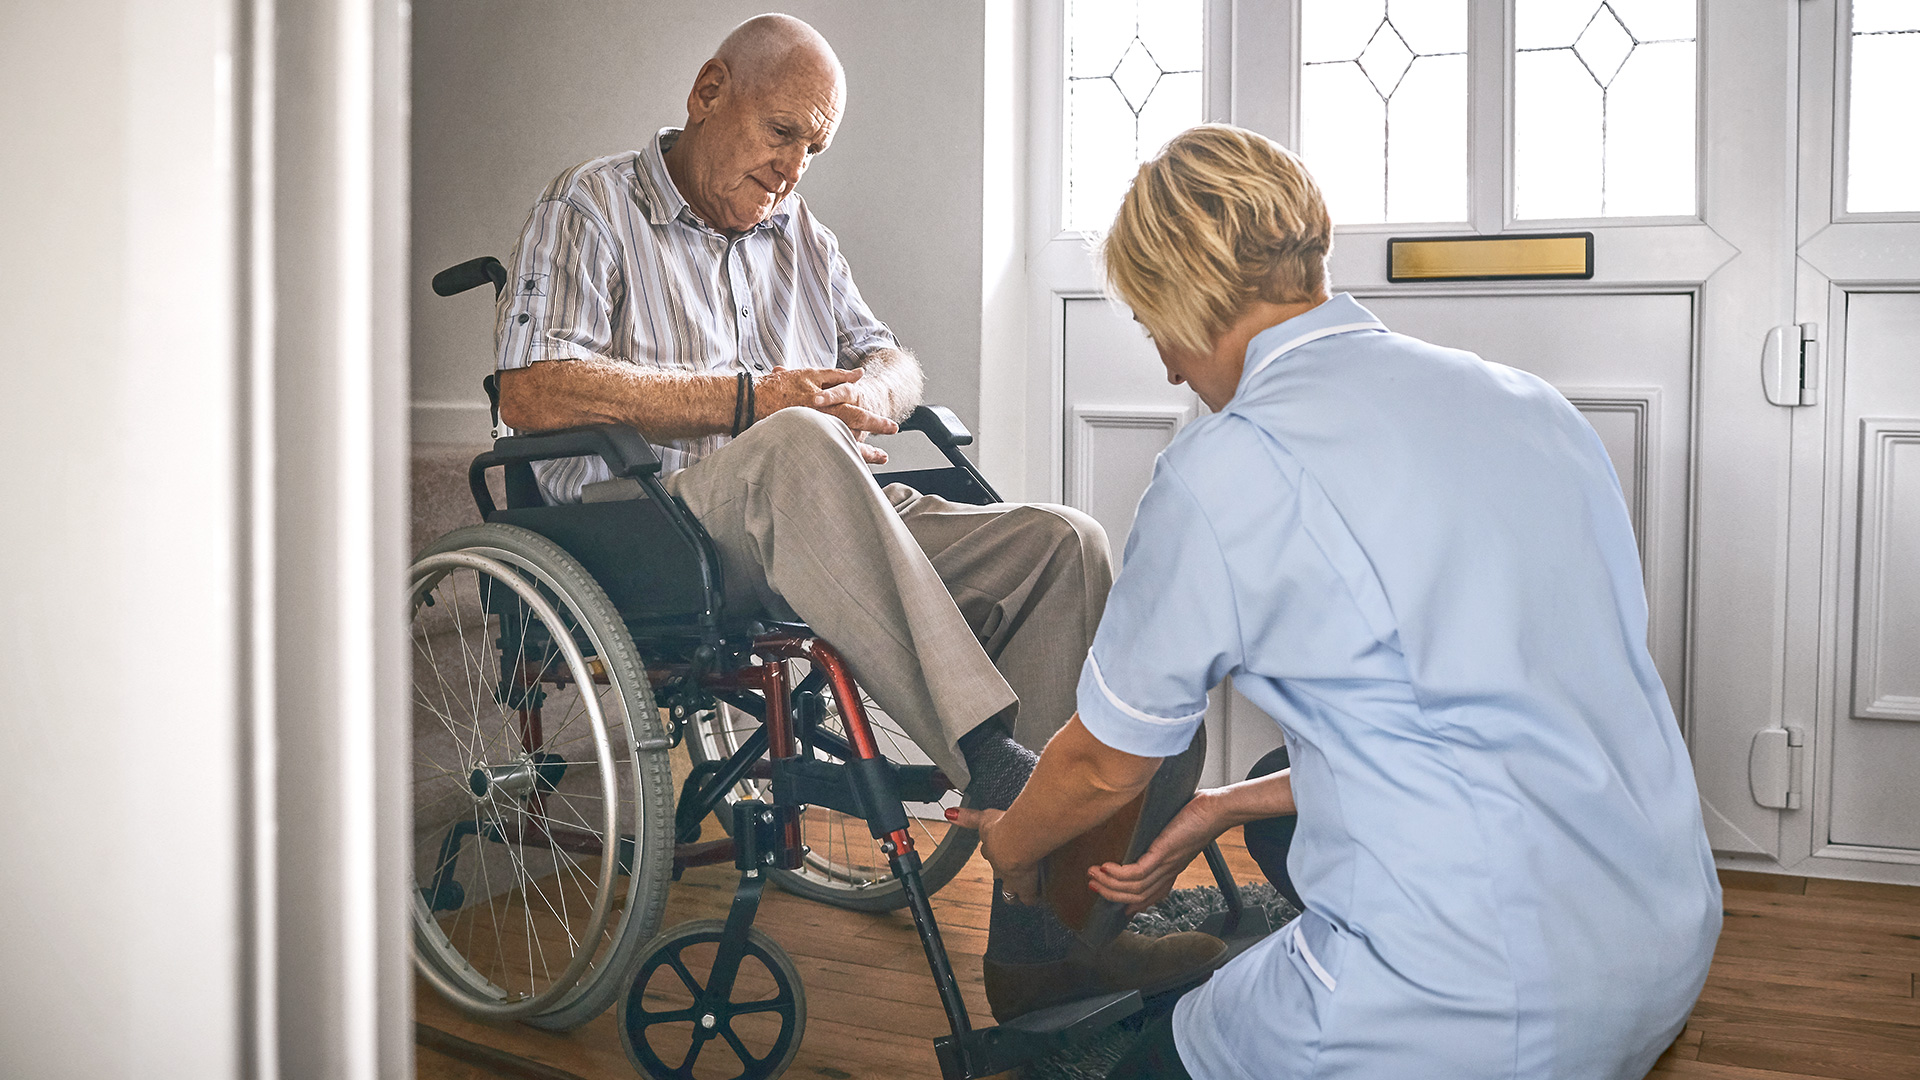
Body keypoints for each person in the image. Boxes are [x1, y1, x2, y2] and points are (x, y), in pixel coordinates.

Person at [956, 124, 1722, 1079]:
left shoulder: (1227, 467)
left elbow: (1105, 767)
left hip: (1476, 1004)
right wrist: (1222, 805)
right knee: (1288, 783)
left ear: (1184, 299)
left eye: (1156, 332)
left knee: (1148, 1064)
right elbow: (1481, 713)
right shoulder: (1530, 403)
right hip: (1665, 936)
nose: (1167, 371)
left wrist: (1017, 851)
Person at [491, 13, 1217, 1012]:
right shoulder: (593, 204)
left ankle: (1040, 944)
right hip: (655, 525)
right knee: (794, 440)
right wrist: (754, 400)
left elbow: (891, 354)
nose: (792, 169)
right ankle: (1001, 771)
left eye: (813, 149)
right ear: (709, 93)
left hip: (826, 503)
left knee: (1062, 541)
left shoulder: (800, 233)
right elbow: (533, 390)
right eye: (781, 133)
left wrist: (879, 389)